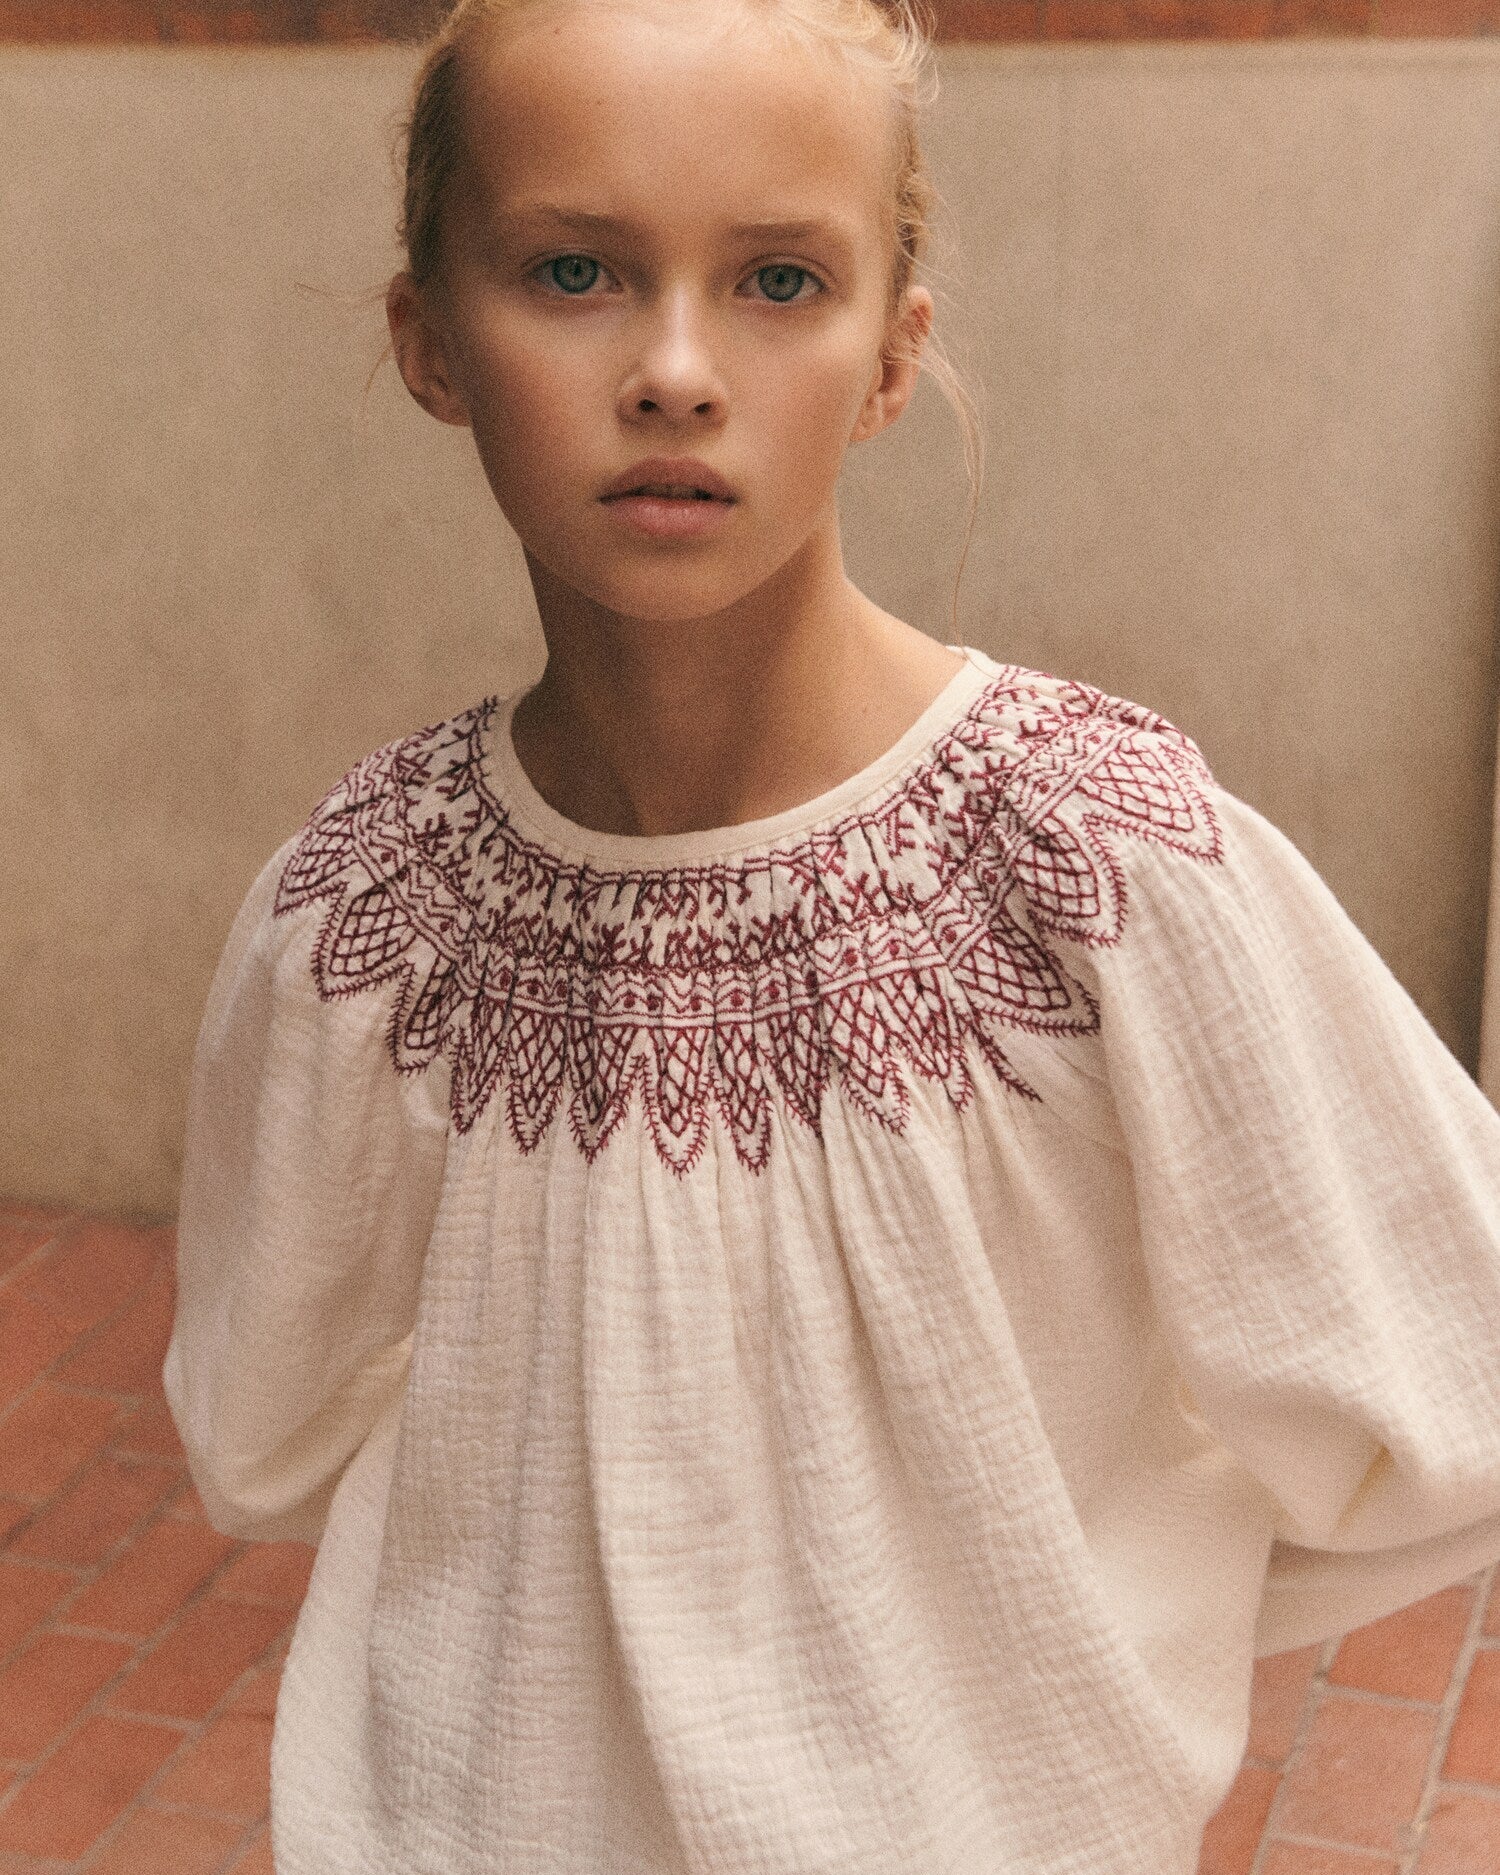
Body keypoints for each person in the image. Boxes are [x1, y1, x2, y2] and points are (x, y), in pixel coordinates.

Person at [161, 0, 1500, 1869]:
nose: (679, 370)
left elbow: (1450, 1361)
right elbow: (264, 1424)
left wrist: (1072, 1627)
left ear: (894, 355)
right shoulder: (368, 914)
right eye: (572, 269)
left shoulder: (1089, 853)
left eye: (782, 279)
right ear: (428, 343)